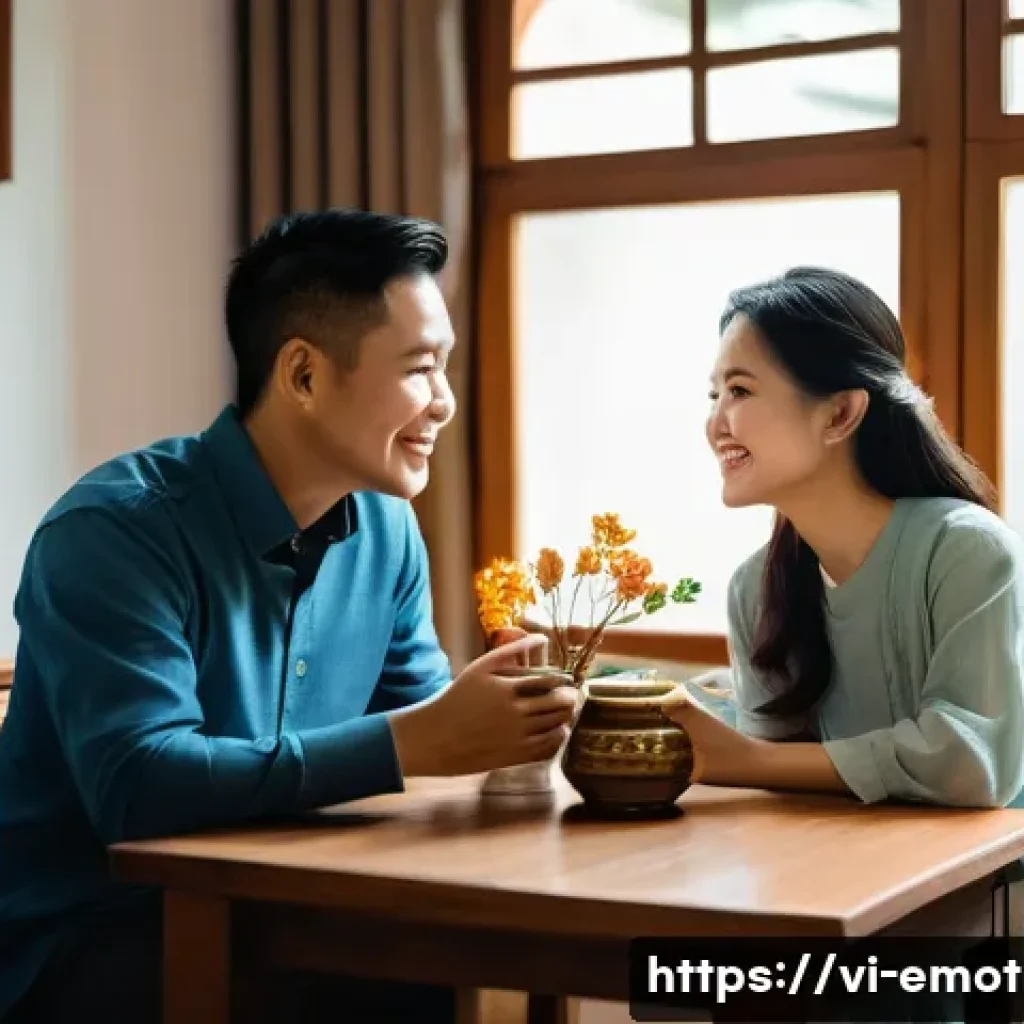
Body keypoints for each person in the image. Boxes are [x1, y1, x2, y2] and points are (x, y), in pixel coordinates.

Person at [0, 208, 576, 1023]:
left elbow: (418, 737)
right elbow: (137, 786)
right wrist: (421, 740)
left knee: (457, 970)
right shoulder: (113, 533)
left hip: (291, 918)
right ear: (303, 376)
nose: (445, 403)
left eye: (446, 367)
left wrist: (506, 727)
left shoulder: (386, 530)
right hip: (93, 941)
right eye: (419, 369)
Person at [665, 267, 1024, 809]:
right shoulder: (754, 589)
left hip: (989, 887)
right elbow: (783, 791)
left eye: (739, 390)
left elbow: (973, 765)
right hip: (835, 880)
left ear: (841, 412)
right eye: (713, 394)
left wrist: (744, 758)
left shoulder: (966, 550)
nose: (716, 424)